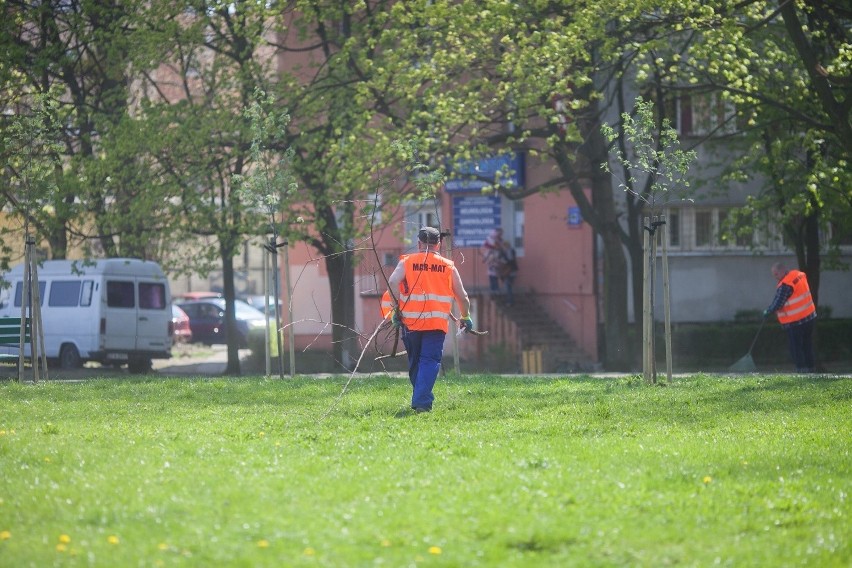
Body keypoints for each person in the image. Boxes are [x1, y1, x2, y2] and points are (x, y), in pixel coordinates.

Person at [386, 226, 472, 413]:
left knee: (416, 361)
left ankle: (421, 401)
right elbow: (462, 296)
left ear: (418, 244)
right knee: (429, 361)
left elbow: (392, 282)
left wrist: (396, 309)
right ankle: (422, 401)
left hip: (411, 323)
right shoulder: (448, 266)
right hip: (436, 324)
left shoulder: (407, 262)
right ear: (438, 245)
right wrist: (465, 316)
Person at [763, 262, 817, 373]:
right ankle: (811, 370)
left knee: (796, 348)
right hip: (809, 317)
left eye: (776, 274)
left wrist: (768, 311)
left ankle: (801, 371)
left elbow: (778, 303)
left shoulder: (785, 285)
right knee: (807, 345)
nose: (775, 277)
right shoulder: (799, 274)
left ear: (782, 271)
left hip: (795, 322)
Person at [481, 228, 505, 293]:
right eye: (499, 233)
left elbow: (501, 247)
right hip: (491, 258)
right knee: (492, 274)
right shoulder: (490, 239)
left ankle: (495, 288)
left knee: (496, 273)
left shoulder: (500, 240)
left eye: (501, 233)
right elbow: (487, 245)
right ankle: (493, 288)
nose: (500, 234)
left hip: (496, 258)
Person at [499, 240, 518, 306]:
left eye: (503, 246)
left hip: (509, 272)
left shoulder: (509, 251)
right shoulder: (511, 251)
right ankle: (509, 301)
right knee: (508, 287)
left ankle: (510, 301)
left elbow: (509, 261)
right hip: (511, 271)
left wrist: (503, 261)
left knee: (508, 287)